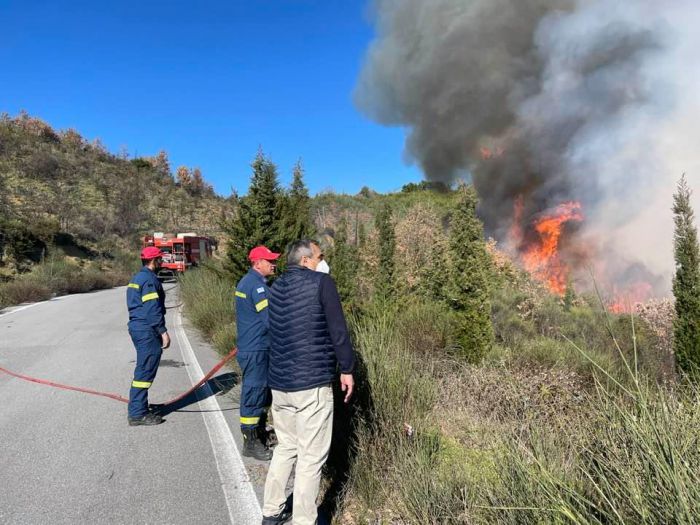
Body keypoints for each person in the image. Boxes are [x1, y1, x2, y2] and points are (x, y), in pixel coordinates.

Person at [261, 239, 355, 525]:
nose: (321, 261)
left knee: (286, 448)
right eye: (318, 256)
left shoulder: (275, 289)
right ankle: (304, 519)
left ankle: (271, 511)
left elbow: (273, 333)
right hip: (311, 384)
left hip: (280, 385)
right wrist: (347, 368)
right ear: (305, 260)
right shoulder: (322, 283)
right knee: (311, 458)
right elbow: (338, 330)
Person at [235, 245, 280, 461]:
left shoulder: (249, 282)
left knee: (259, 393)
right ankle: (250, 442)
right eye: (269, 260)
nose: (274, 263)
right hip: (256, 349)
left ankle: (258, 434)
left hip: (253, 346)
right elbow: (271, 320)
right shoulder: (257, 286)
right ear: (257, 263)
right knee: (253, 394)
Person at [126, 246, 170, 426]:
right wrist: (163, 332)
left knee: (144, 368)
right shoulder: (149, 280)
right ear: (154, 261)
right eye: (160, 259)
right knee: (145, 370)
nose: (162, 262)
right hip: (146, 330)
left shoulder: (138, 277)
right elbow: (152, 309)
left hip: (138, 327)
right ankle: (137, 413)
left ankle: (139, 405)